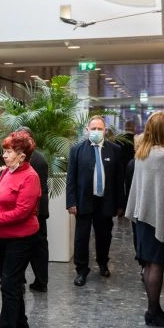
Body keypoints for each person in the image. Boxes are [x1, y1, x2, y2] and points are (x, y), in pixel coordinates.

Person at [125, 112, 164, 327]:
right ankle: (153, 312)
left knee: (150, 263)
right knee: (158, 264)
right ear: (163, 129)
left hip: (145, 215)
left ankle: (154, 309)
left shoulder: (142, 153)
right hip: (161, 216)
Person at [0, 130, 41, 328]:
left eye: (9, 152)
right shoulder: (7, 171)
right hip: (3, 236)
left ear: (22, 156)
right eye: (5, 151)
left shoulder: (31, 177)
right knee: (13, 282)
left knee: (8, 285)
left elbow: (22, 212)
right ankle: (21, 325)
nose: (4, 155)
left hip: (22, 238)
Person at [66, 116, 125, 287]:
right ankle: (81, 270)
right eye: (93, 129)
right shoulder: (77, 150)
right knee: (81, 237)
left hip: (106, 202)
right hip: (83, 201)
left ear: (105, 131)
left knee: (104, 236)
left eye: (100, 129)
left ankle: (103, 263)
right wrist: (71, 202)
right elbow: (71, 179)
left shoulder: (115, 150)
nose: (96, 132)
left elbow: (119, 179)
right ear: (87, 130)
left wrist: (120, 204)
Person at [19, 126, 51, 293]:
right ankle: (41, 281)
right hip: (39, 209)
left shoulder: (28, 159)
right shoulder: (40, 157)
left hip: (31, 210)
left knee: (27, 246)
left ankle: (25, 280)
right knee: (39, 246)